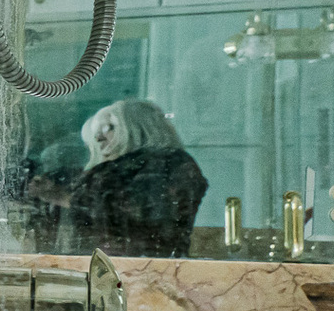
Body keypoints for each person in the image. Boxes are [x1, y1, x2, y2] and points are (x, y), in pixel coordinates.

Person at [31, 99, 208, 257]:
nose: (99, 138)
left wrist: (65, 198)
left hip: (145, 268)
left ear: (140, 127)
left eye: (110, 128)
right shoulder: (113, 170)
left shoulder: (169, 164)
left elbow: (142, 214)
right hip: (106, 266)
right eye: (96, 134)